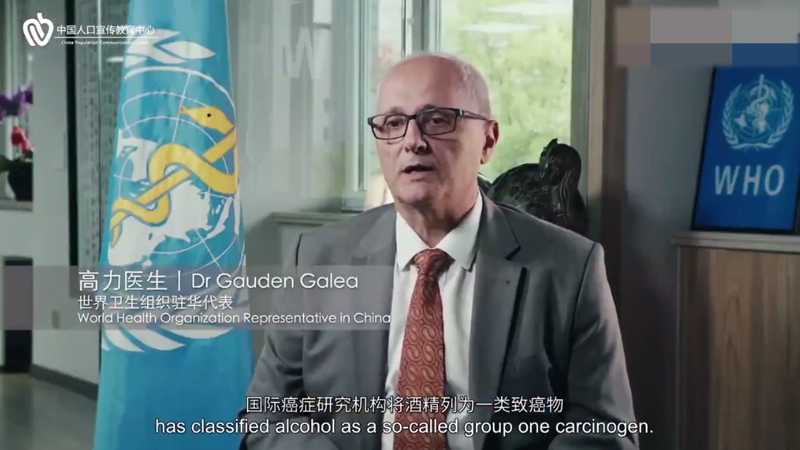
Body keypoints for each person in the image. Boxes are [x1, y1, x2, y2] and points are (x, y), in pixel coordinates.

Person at [240, 53, 638, 450]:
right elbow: (265, 418)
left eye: (436, 120)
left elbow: (606, 431)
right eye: (393, 123)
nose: (412, 141)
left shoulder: (569, 266)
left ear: (488, 141)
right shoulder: (318, 259)